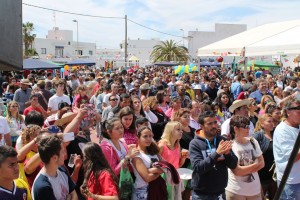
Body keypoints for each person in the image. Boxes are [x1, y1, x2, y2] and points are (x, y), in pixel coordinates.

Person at [189, 111, 238, 200]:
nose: (214, 126)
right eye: (210, 123)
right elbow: (198, 168)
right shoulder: (194, 143)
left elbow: (234, 165)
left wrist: (227, 155)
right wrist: (217, 153)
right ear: (201, 126)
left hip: (220, 193)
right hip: (201, 195)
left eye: (215, 122)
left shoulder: (222, 140)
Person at [226, 115, 264, 200]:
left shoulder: (253, 141)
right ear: (236, 129)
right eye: (245, 127)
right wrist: (255, 165)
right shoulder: (230, 146)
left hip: (255, 190)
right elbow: (237, 171)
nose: (248, 129)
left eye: (248, 126)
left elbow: (262, 164)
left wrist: (244, 169)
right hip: (236, 191)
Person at [32, 135, 78, 200]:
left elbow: (74, 194)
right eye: (62, 152)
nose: (65, 154)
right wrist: (69, 197)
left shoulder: (62, 170)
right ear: (55, 158)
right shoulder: (43, 186)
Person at [273, 98, 300, 199]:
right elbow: (293, 157)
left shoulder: (298, 126)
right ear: (288, 111)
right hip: (291, 182)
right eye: (298, 108)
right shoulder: (282, 130)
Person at [131, 126, 165, 200]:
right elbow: (147, 178)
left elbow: (165, 166)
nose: (149, 139)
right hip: (141, 192)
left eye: (150, 136)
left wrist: (153, 170)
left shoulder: (154, 151)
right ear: (138, 137)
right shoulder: (136, 155)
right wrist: (159, 171)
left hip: (156, 188)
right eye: (145, 136)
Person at [158, 121, 187, 200]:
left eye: (181, 130)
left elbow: (179, 165)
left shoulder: (177, 145)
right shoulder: (161, 146)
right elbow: (155, 164)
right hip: (164, 178)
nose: (181, 131)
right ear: (170, 130)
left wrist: (184, 156)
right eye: (178, 129)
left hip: (175, 177)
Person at [254, 114, 277, 199]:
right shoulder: (258, 136)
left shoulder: (276, 133)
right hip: (262, 176)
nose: (272, 124)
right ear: (262, 124)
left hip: (274, 175)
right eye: (269, 121)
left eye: (272, 121)